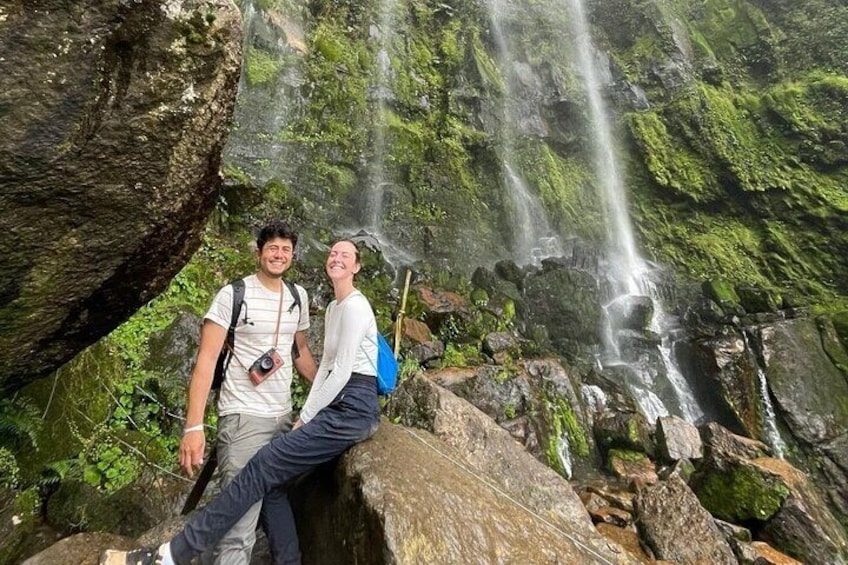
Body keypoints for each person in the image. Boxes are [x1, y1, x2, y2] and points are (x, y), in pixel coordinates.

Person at [101, 239, 382, 565]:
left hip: (353, 406)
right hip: (333, 404)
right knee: (272, 480)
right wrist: (307, 414)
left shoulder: (356, 307)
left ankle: (171, 555)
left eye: (345, 255)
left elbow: (343, 371)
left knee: (263, 465)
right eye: (333, 253)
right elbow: (325, 368)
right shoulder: (334, 308)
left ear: (357, 266)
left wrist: (306, 414)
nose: (337, 258)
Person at [180, 220, 317, 565]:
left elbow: (299, 353)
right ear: (259, 252)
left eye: (285, 249)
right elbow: (206, 360)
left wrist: (328, 393)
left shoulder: (298, 297)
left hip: (282, 419)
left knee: (276, 500)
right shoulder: (233, 295)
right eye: (272, 247)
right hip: (242, 419)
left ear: (293, 256)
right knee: (239, 524)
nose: (279, 254)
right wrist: (193, 427)